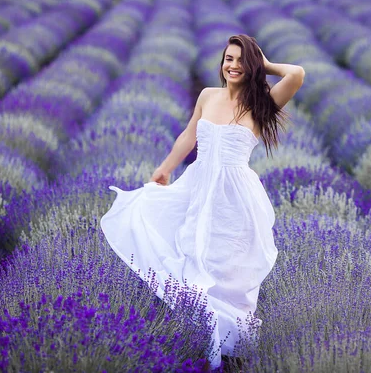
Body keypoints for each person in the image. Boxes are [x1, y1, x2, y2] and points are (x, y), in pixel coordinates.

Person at [100, 34, 305, 370]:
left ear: (252, 65)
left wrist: (264, 63)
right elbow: (189, 134)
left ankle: (231, 345)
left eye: (241, 60)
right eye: (228, 59)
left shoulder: (262, 101)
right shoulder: (209, 95)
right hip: (198, 186)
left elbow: (296, 75)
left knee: (228, 266)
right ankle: (200, 337)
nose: (233, 66)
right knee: (192, 256)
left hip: (234, 196)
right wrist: (165, 169)